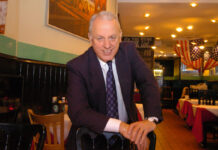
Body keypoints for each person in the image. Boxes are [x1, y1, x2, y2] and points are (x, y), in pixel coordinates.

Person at [66, 11, 163, 150]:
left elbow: (147, 82)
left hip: (126, 141)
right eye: (100, 38)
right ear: (90, 38)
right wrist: (120, 126)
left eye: (112, 37)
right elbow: (78, 112)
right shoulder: (77, 66)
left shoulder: (129, 52)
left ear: (120, 36)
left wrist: (150, 120)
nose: (107, 45)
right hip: (88, 141)